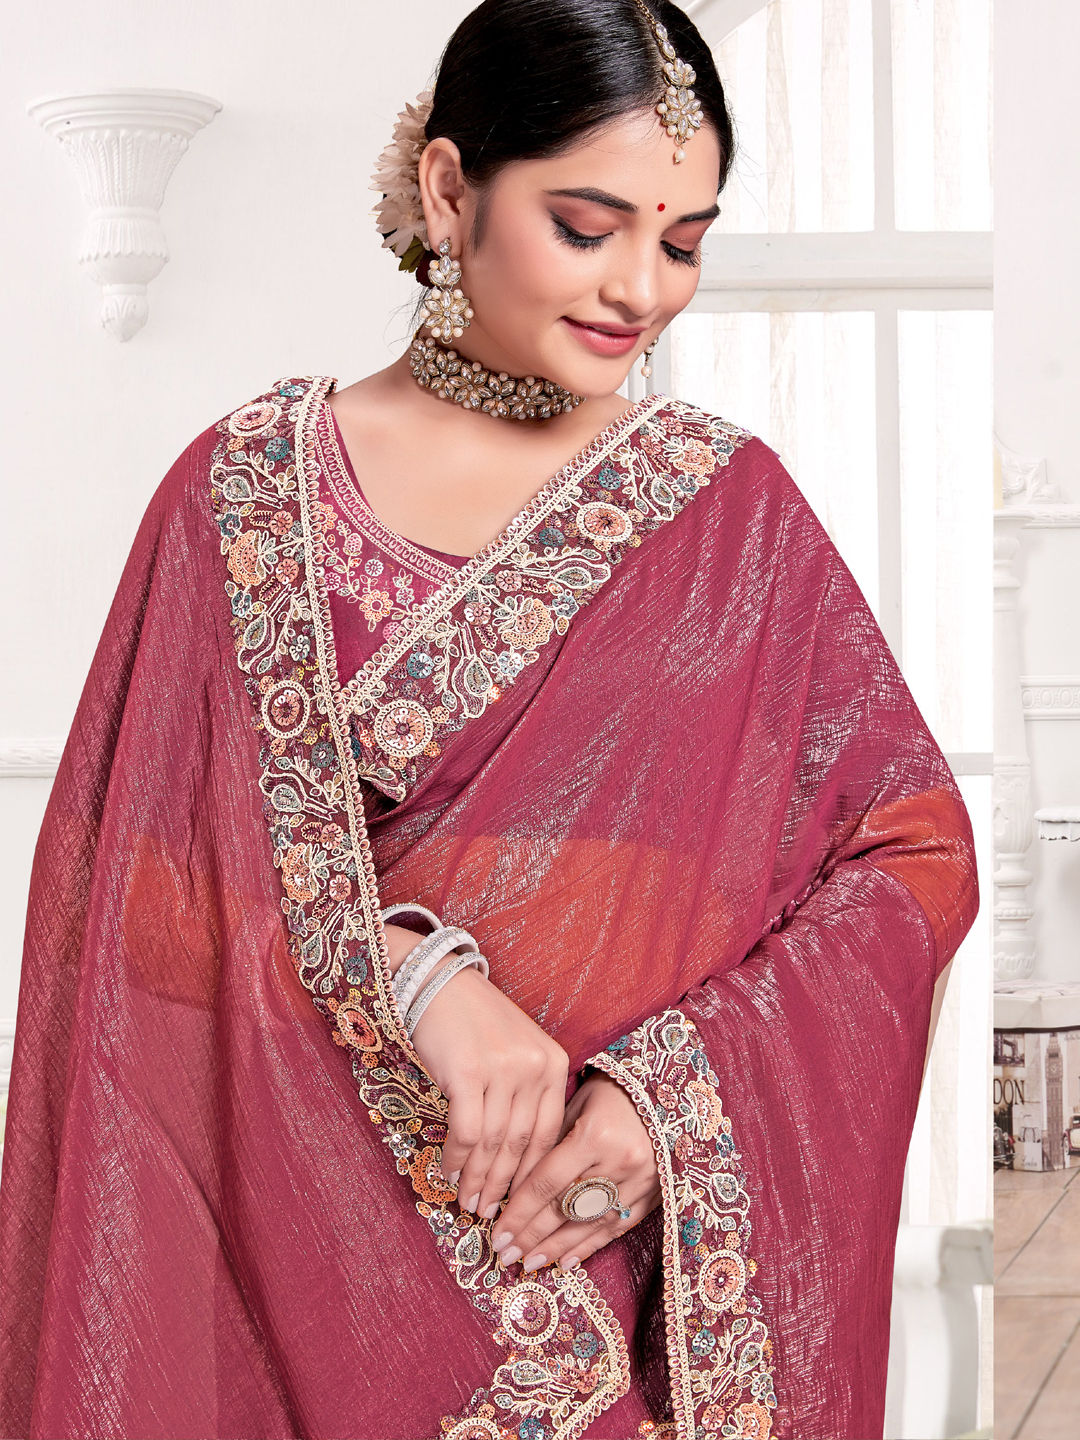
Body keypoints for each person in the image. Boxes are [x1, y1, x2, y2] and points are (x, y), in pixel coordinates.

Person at [0, 2, 979, 1438]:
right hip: (299, 1273)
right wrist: (411, 976)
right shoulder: (244, 495)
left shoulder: (731, 516)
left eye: (685, 242)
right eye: (586, 227)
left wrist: (663, 1109)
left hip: (597, 1280)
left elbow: (911, 854)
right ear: (452, 189)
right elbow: (131, 912)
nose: (641, 290)